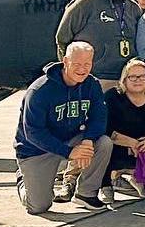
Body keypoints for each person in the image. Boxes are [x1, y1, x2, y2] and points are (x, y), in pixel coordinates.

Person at [14, 42, 113, 213]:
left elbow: (99, 117)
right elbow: (33, 132)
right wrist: (69, 153)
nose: (82, 69)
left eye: (87, 64)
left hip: (72, 139)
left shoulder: (92, 84)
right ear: (65, 61)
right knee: (38, 206)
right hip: (37, 149)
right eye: (77, 64)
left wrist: (88, 141)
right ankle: (24, 180)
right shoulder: (40, 90)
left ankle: (86, 193)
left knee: (103, 143)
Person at [56, 0, 143, 90]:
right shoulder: (86, 2)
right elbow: (62, 38)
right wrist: (71, 76)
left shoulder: (133, 8)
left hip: (127, 80)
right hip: (95, 80)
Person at [105, 58, 145, 200]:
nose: (138, 80)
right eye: (132, 77)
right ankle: (106, 184)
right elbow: (104, 128)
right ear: (124, 79)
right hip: (118, 147)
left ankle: (136, 177)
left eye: (142, 76)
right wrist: (131, 143)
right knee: (102, 144)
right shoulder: (112, 97)